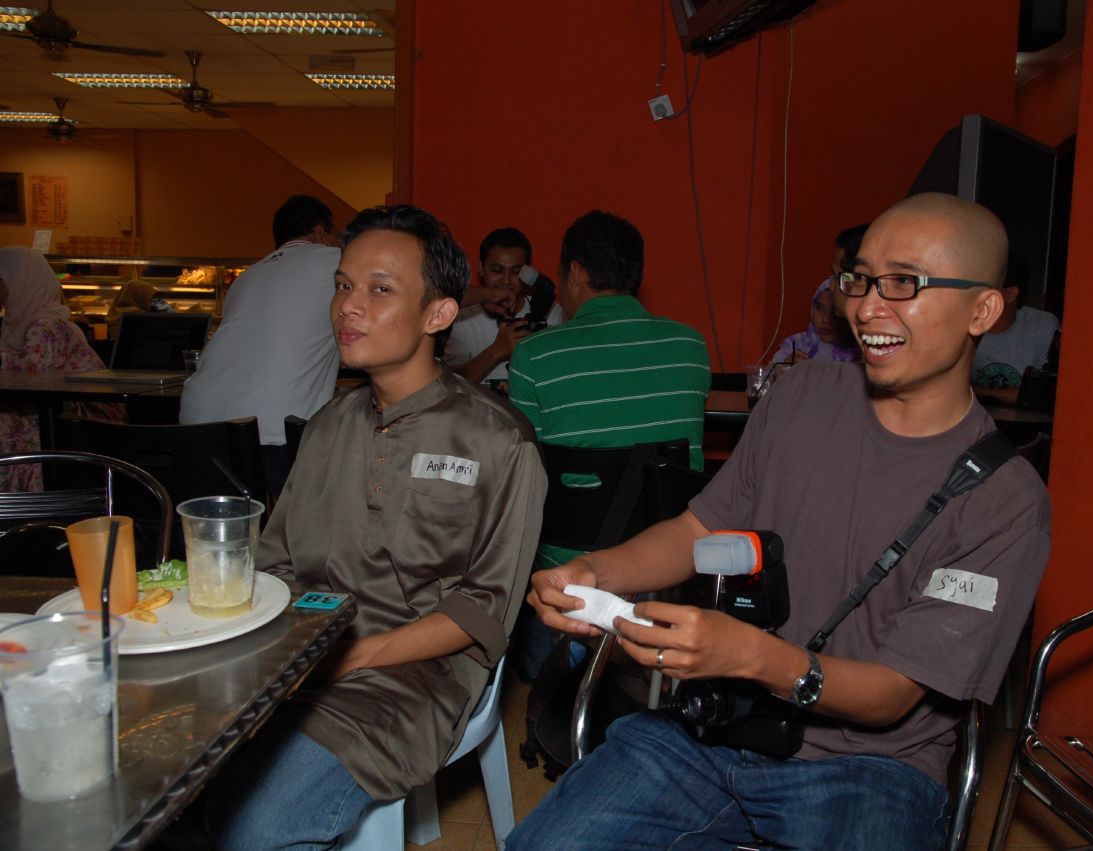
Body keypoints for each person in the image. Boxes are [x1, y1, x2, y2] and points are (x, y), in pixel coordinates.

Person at [510, 193, 1051, 850]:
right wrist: (600, 568)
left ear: (984, 309)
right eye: (861, 278)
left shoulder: (1005, 498)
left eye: (904, 283)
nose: (868, 306)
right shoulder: (800, 396)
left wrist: (753, 655)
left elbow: (892, 695)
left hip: (868, 767)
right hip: (715, 727)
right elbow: (697, 529)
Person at [203, 205, 547, 850]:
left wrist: (353, 655)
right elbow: (276, 564)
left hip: (414, 677)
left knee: (257, 829)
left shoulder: (498, 440)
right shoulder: (330, 423)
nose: (348, 307)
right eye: (342, 285)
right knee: (158, 784)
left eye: (380, 289)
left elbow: (484, 611)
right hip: (301, 656)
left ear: (438, 315)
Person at [506, 209, 711, 681]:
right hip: (668, 568)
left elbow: (527, 473)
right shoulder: (691, 347)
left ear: (575, 273)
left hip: (570, 574)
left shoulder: (535, 355)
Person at [179, 195, 342, 495]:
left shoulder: (246, 277)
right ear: (320, 233)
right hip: (270, 436)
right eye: (337, 235)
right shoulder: (335, 261)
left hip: (196, 428)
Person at [0, 247, 121, 492]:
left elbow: (23, 384)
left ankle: (22, 509)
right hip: (63, 415)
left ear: (18, 282)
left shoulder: (44, 326)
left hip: (77, 422)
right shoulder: (23, 321)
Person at [444, 227, 566, 386]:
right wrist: (497, 350)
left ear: (528, 273)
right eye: (497, 270)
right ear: (481, 268)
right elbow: (449, 386)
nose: (506, 281)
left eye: (516, 272)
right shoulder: (461, 317)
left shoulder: (550, 312)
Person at [971, 253, 1061, 405]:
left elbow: (1042, 395)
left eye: (985, 287)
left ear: (1010, 294)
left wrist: (980, 393)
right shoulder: (961, 325)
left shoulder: (1042, 326)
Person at [772, 225, 867, 363]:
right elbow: (764, 380)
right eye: (819, 308)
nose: (826, 320)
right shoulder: (797, 345)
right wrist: (784, 372)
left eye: (837, 277)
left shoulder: (865, 350)